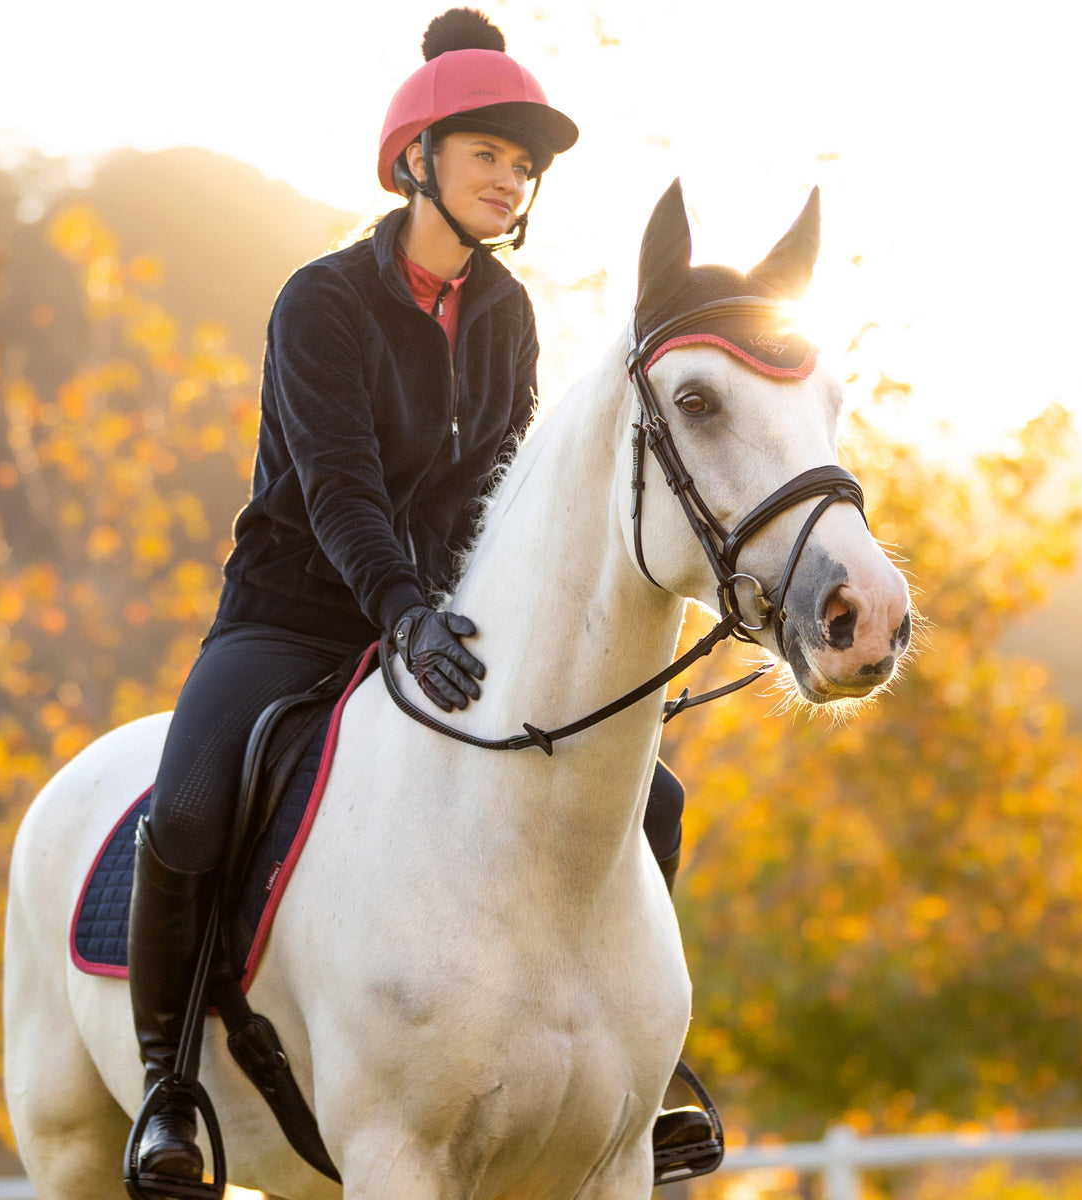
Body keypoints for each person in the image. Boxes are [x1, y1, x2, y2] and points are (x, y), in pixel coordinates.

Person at [126, 6, 689, 1184]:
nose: (510, 178)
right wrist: (400, 609)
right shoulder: (320, 301)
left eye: (523, 164)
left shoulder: (507, 314)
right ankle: (168, 1090)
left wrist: (502, 625)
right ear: (417, 159)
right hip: (295, 616)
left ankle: (642, 1061)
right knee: (188, 809)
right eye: (487, 153)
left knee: (653, 794)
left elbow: (498, 493)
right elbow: (337, 486)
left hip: (447, 624)